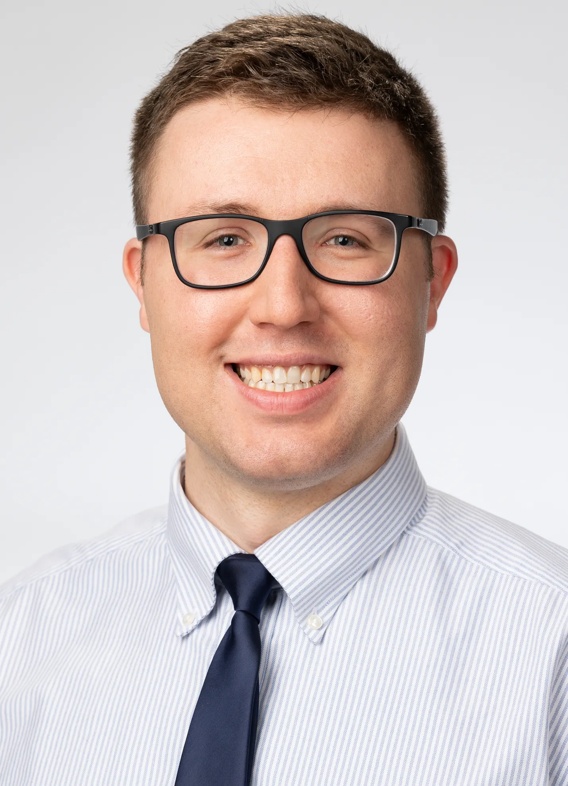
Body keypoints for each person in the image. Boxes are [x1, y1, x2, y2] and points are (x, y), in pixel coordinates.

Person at [1, 12, 567, 785]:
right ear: (143, 282)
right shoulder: (20, 638)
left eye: (345, 239)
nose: (282, 305)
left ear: (432, 281)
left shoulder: (551, 655)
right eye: (224, 238)